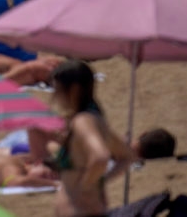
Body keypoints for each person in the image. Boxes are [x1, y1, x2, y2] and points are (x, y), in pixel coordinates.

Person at [29, 61, 134, 217]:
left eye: (58, 90)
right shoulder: (96, 119)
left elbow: (100, 156)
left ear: (74, 90)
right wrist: (102, 181)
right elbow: (127, 155)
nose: (55, 96)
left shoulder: (83, 121)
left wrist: (86, 185)